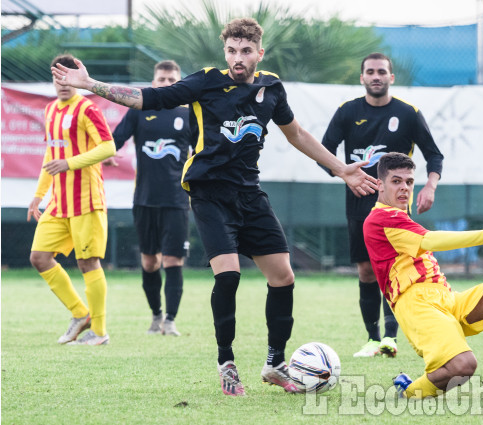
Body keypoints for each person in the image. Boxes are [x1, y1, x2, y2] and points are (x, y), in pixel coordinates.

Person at [52, 18, 377, 396]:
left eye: (245, 51)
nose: (237, 59)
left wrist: (340, 169)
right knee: (229, 275)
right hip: (207, 192)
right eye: (231, 51)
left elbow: (298, 135)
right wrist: (91, 85)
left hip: (249, 194)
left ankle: (275, 363)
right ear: (225, 52)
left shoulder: (271, 87)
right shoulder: (205, 80)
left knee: (284, 277)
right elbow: (148, 98)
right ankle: (227, 362)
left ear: (260, 52)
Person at [363, 152, 483, 400]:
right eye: (396, 181)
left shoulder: (400, 216)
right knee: (463, 367)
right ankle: (410, 391)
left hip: (445, 298)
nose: (404, 188)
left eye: (409, 181)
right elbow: (432, 240)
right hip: (416, 305)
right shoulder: (380, 219)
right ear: (379, 184)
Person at [321, 53, 443, 358]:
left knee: (397, 269)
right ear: (362, 78)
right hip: (359, 203)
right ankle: (372, 338)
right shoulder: (348, 112)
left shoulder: (408, 113)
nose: (376, 76)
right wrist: (346, 173)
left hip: (395, 210)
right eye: (370, 72)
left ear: (391, 77)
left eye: (382, 72)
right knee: (365, 270)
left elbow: (434, 154)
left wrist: (429, 186)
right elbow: (324, 152)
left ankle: (392, 337)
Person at [28, 53, 116, 346]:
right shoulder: (51, 110)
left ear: (77, 78)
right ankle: (80, 314)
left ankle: (100, 332)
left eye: (68, 76)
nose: (63, 83)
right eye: (58, 76)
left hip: (86, 199)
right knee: (39, 257)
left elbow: (108, 147)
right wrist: (39, 195)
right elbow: (51, 154)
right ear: (53, 79)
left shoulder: (88, 109)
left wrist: (70, 163)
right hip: (58, 202)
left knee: (88, 263)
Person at [109, 60, 193, 337]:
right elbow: (115, 139)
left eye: (172, 80)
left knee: (173, 261)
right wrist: (107, 154)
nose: (167, 84)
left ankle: (170, 320)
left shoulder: (190, 113)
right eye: (162, 80)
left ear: (179, 83)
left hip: (177, 200)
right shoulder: (139, 110)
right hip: (144, 199)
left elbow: (205, 146)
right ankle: (156, 315)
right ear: (153, 82)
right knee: (149, 262)